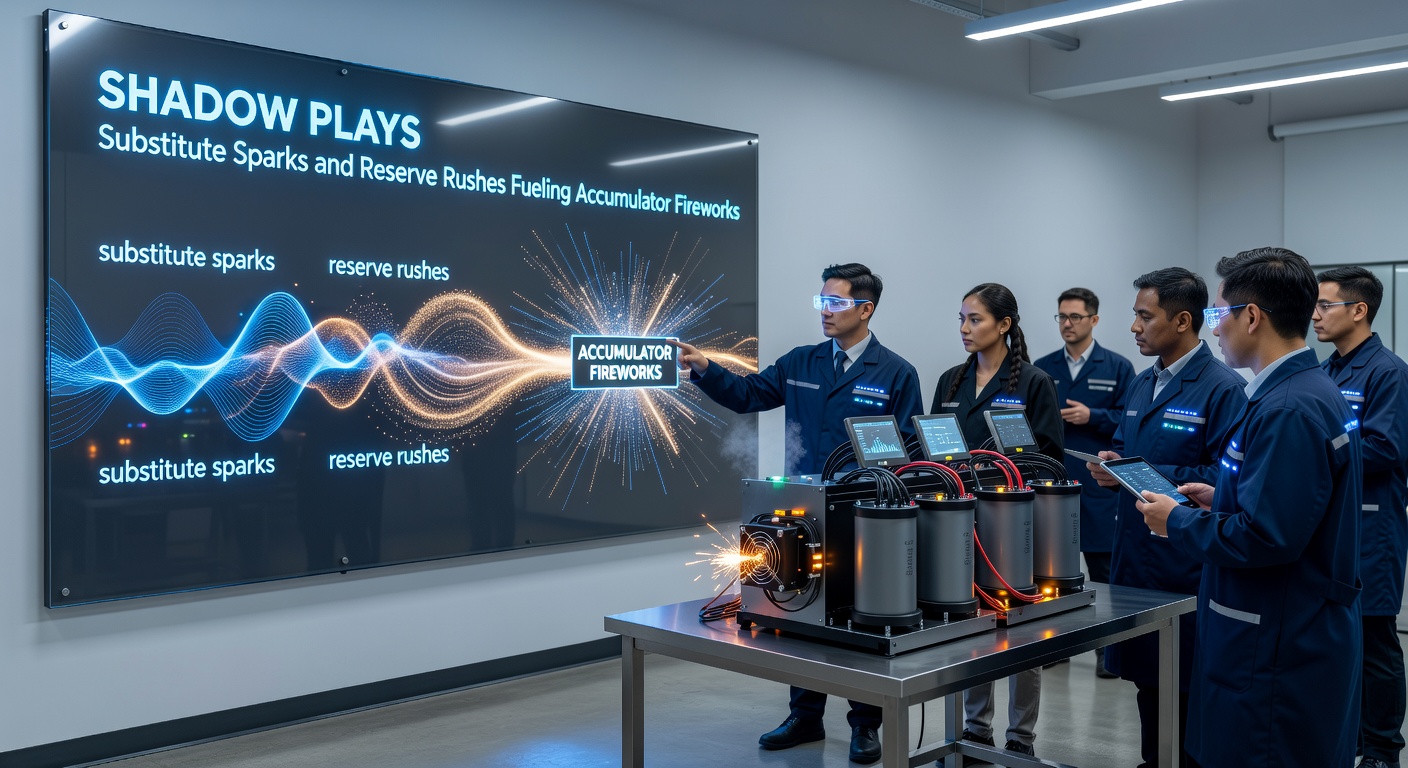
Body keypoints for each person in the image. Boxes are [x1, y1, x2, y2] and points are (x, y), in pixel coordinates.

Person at [671, 262, 923, 765]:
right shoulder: (802, 362)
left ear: (865, 309)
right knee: (796, 607)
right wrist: (704, 368)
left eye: (835, 303)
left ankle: (864, 722)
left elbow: (910, 450)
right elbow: (748, 395)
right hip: (801, 514)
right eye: (821, 301)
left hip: (862, 513)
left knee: (858, 617)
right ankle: (804, 715)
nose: (825, 312)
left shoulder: (897, 372)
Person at [1136, 247, 1363, 768]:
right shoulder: (1303, 392)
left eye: (1219, 315)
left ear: (1253, 316)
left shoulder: (1288, 408)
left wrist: (1178, 522)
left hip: (1274, 647)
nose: (1214, 330)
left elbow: (1267, 537)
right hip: (1283, 633)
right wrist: (1225, 497)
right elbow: (1297, 503)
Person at [1086, 268, 1246, 768]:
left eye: (1143, 315)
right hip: (1136, 558)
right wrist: (1119, 469)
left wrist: (1143, 470)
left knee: (1185, 684)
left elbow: (1224, 479)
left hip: (1184, 564)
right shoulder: (1142, 383)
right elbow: (1140, 457)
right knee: (1147, 681)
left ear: (1182, 320)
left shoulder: (1222, 389)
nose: (1134, 326)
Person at [931, 283, 1061, 760]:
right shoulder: (950, 380)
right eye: (961, 319)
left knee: (1021, 631)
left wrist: (1000, 468)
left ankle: (1021, 738)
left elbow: (1050, 462)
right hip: (959, 523)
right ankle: (975, 731)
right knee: (970, 627)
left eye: (976, 320)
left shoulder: (1033, 383)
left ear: (1004, 325)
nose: (965, 329)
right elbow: (932, 452)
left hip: (1014, 528)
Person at [1313, 266, 1408, 768]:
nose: (1315, 315)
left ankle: (1382, 750)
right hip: (1337, 523)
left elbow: (1385, 449)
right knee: (1343, 638)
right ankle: (1348, 737)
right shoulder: (1327, 370)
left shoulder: (1386, 371)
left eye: (1325, 305)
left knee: (1375, 640)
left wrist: (1317, 452)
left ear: (1358, 310)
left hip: (1373, 526)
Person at [1032, 287, 1134, 679]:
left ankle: (1108, 652)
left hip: (1098, 487)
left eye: (1075, 317)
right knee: (1052, 573)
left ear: (1094, 319)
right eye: (1061, 317)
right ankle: (1055, 645)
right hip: (1053, 485)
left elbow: (1128, 422)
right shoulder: (1042, 367)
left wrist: (1094, 415)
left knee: (1105, 575)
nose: (1067, 324)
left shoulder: (1118, 367)